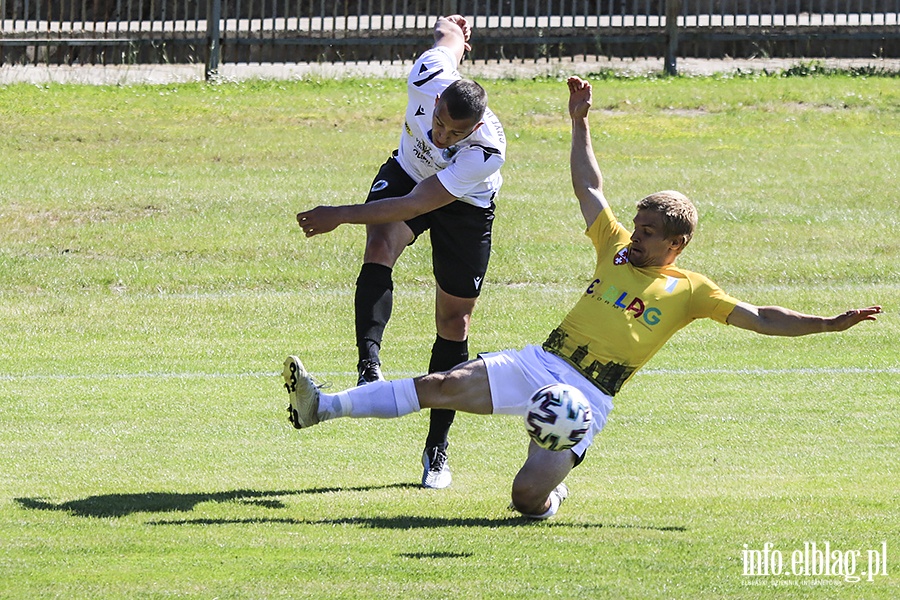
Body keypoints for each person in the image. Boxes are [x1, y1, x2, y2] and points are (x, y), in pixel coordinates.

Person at [284, 76, 882, 520]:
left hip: (588, 396)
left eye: (649, 232)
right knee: (440, 384)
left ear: (678, 243)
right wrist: (580, 121)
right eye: (638, 225)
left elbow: (760, 317)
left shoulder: (690, 290)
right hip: (542, 362)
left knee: (524, 500)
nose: (636, 234)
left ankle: (550, 492)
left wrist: (826, 324)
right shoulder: (616, 247)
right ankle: (324, 407)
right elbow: (590, 187)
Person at [296, 15, 506, 490]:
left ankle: (436, 449)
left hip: (462, 205)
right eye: (438, 123)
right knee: (381, 241)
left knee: (454, 323)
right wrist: (451, 26)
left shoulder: (486, 151)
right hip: (406, 171)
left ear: (474, 127)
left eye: (455, 133)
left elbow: (417, 205)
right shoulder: (428, 74)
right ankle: (369, 369)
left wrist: (338, 213)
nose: (441, 136)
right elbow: (446, 41)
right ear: (435, 102)